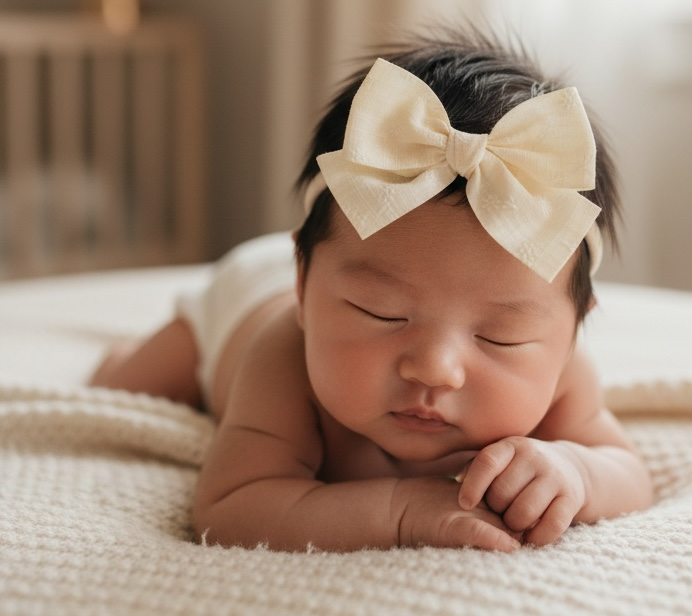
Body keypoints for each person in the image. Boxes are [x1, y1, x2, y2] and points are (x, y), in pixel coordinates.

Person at [91, 28, 654, 552]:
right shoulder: (280, 358)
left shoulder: (560, 374)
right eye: (379, 312)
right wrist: (400, 511)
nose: (436, 369)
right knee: (126, 383)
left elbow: (625, 471)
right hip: (239, 298)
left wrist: (576, 472)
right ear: (306, 287)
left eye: (500, 338)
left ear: (571, 332)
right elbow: (233, 506)